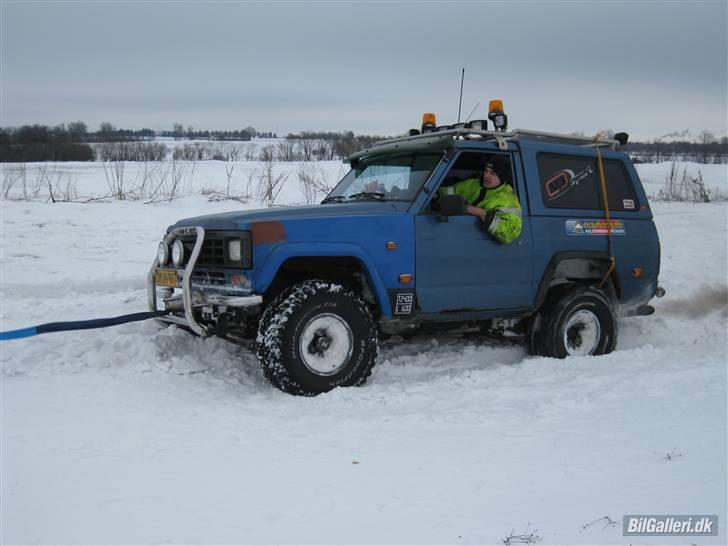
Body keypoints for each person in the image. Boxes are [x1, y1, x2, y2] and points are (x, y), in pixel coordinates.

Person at [438, 155, 522, 244]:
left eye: (492, 173)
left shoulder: (507, 198)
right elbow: (443, 193)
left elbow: (510, 233)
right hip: (455, 236)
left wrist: (482, 213)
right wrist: (436, 199)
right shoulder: (472, 184)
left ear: (502, 177)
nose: (486, 175)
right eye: (486, 170)